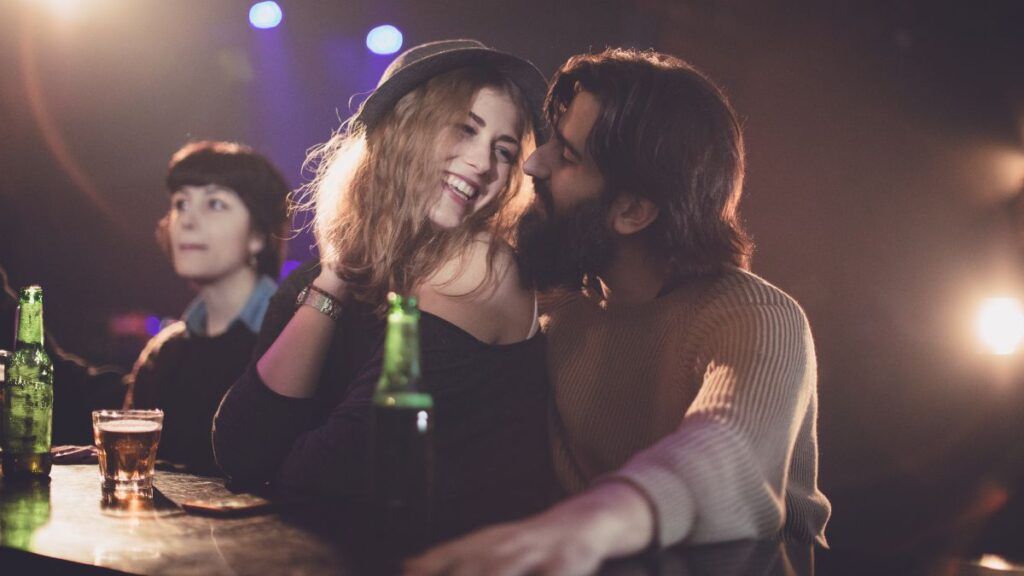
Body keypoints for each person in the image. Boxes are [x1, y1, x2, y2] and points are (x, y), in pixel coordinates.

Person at [407, 48, 832, 576]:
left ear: (632, 211)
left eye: (565, 155)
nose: (532, 163)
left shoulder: (758, 317)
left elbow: (727, 454)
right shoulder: (558, 310)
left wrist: (582, 528)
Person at [212, 40, 556, 537]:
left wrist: (277, 465)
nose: (483, 165)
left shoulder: (484, 268)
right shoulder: (317, 283)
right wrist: (335, 275)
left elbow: (332, 472)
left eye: (503, 151)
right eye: (465, 129)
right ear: (401, 129)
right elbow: (242, 450)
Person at [123, 141, 290, 475]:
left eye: (215, 203)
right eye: (181, 203)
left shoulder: (292, 340)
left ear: (257, 235)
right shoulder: (163, 355)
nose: (187, 219)